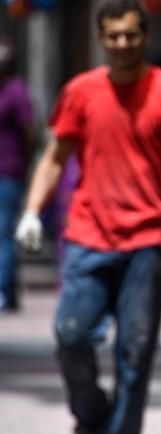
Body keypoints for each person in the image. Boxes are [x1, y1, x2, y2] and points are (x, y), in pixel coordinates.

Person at [14, 1, 161, 434]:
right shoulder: (80, 92)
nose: (122, 44)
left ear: (145, 36)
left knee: (136, 355)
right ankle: (91, 419)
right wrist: (30, 212)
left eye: (130, 35)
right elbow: (54, 157)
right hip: (88, 237)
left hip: (150, 242)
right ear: (102, 39)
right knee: (71, 335)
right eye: (113, 36)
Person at [0, 37, 33, 313]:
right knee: (4, 234)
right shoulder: (15, 90)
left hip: (9, 172)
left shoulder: (16, 91)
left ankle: (4, 291)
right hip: (11, 171)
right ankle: (6, 291)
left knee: (4, 233)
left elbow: (27, 132)